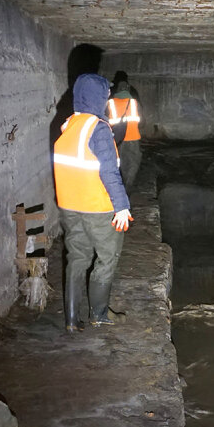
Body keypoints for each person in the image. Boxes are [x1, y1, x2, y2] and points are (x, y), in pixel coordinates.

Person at [52, 74, 133, 332]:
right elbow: (108, 171)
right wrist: (121, 206)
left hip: (69, 207)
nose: (108, 96)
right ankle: (99, 314)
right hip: (98, 207)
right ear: (97, 97)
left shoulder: (69, 125)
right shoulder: (98, 128)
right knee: (107, 258)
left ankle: (72, 320)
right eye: (105, 93)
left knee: (77, 258)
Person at [106, 71, 143, 189]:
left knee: (119, 164)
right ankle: (128, 188)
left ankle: (118, 188)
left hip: (116, 139)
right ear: (127, 87)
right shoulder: (134, 102)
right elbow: (142, 122)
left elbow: (105, 121)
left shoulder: (110, 102)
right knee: (133, 164)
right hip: (133, 138)